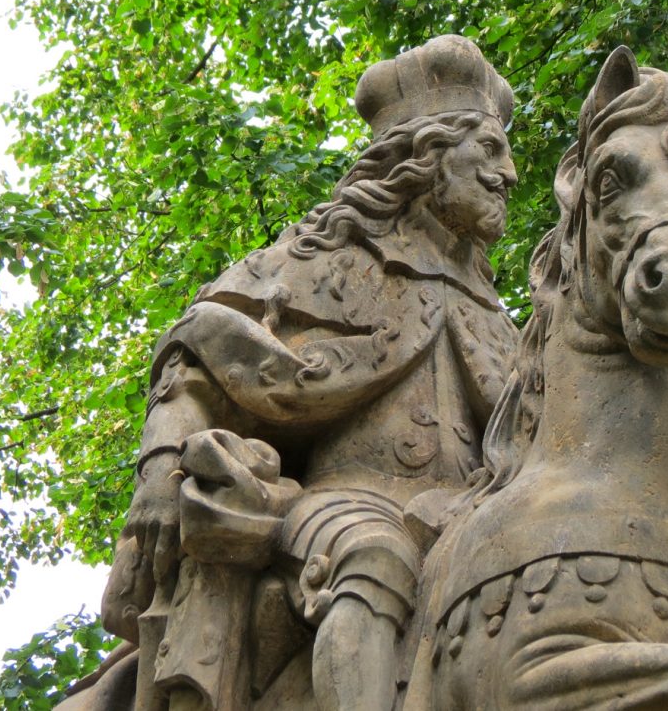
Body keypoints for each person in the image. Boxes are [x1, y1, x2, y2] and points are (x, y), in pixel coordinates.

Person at [93, 35, 519, 711]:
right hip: (348, 507)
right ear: (427, 155)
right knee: (372, 564)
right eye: (491, 150)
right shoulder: (320, 262)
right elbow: (198, 353)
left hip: (475, 516)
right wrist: (159, 471)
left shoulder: (501, 318)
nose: (512, 173)